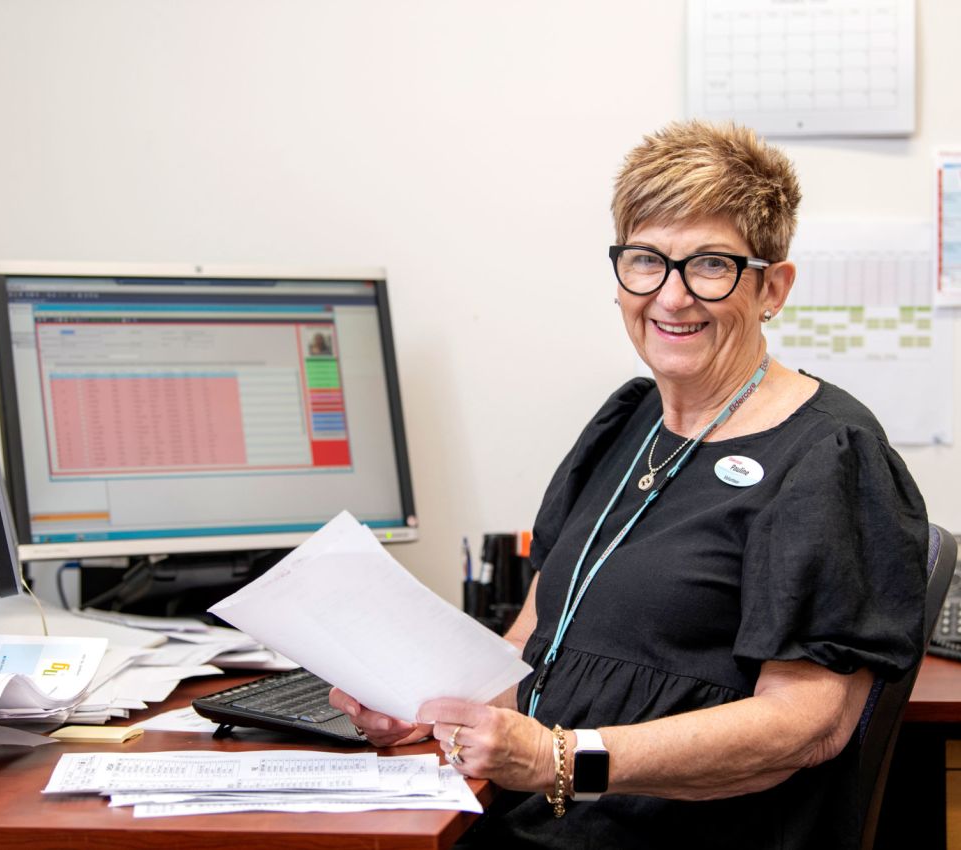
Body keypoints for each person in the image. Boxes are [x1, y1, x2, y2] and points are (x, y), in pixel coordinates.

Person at [329, 120, 928, 848]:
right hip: (528, 820)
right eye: (646, 260)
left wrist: (557, 760)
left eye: (711, 265)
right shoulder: (628, 420)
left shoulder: (830, 455)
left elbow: (806, 725)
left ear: (773, 287)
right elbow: (529, 640)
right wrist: (429, 708)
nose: (671, 298)